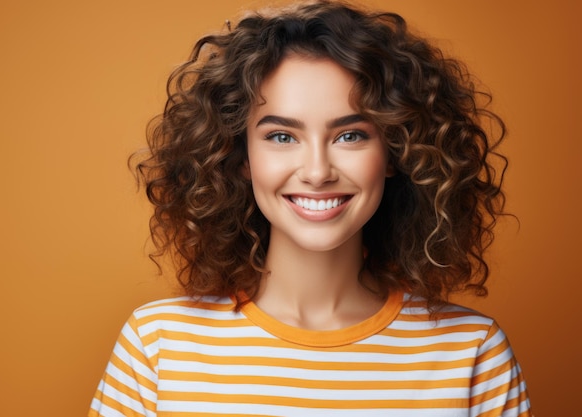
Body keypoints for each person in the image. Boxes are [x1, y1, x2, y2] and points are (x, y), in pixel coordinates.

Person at [89, 1, 532, 415]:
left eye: (350, 135)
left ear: (397, 152)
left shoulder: (473, 354)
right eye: (282, 136)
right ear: (240, 157)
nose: (317, 171)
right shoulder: (157, 348)